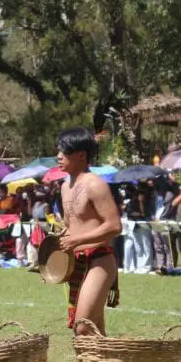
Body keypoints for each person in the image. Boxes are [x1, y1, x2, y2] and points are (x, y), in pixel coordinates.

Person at [55, 128, 122, 335]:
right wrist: (51, 252)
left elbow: (114, 226)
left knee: (83, 326)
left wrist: (76, 240)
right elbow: (71, 227)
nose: (58, 156)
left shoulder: (95, 184)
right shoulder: (65, 186)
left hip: (99, 260)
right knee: (95, 331)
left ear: (81, 155)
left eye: (64, 152)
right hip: (77, 262)